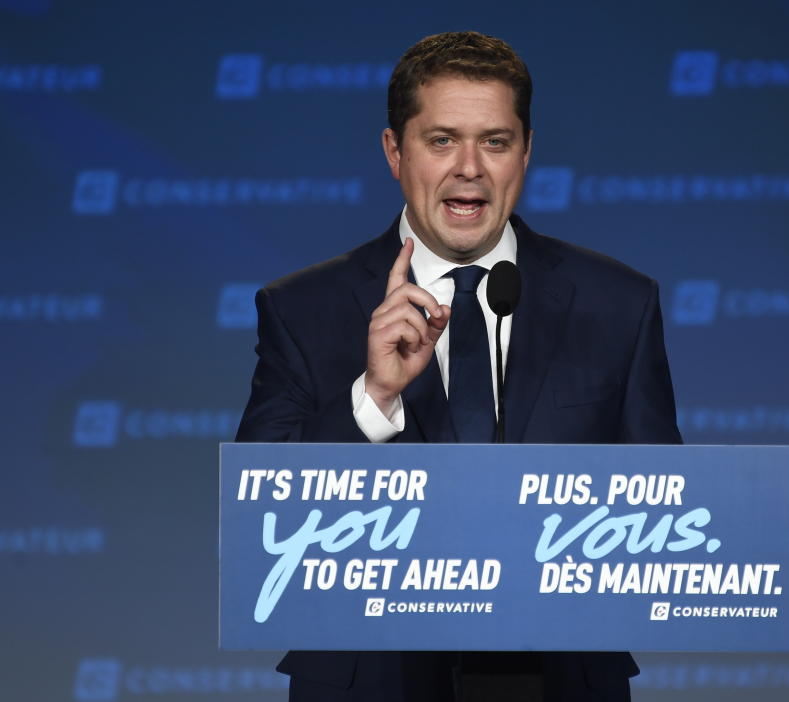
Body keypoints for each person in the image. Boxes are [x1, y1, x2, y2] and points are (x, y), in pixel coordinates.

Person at [236, 30, 682, 702]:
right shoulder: (305, 307)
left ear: (526, 152)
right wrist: (375, 397)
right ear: (394, 151)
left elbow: (663, 514)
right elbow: (261, 521)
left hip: (558, 681)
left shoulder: (618, 303)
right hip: (372, 684)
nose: (469, 167)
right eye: (441, 140)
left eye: (495, 142)